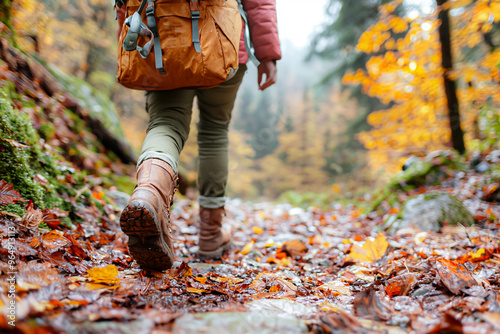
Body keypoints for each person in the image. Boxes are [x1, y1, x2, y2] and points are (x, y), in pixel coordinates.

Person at [118, 0, 281, 271]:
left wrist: (124, 40)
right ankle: (210, 237)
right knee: (214, 132)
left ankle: (148, 194)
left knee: (165, 124)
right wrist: (268, 54)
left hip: (162, 39)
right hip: (222, 40)